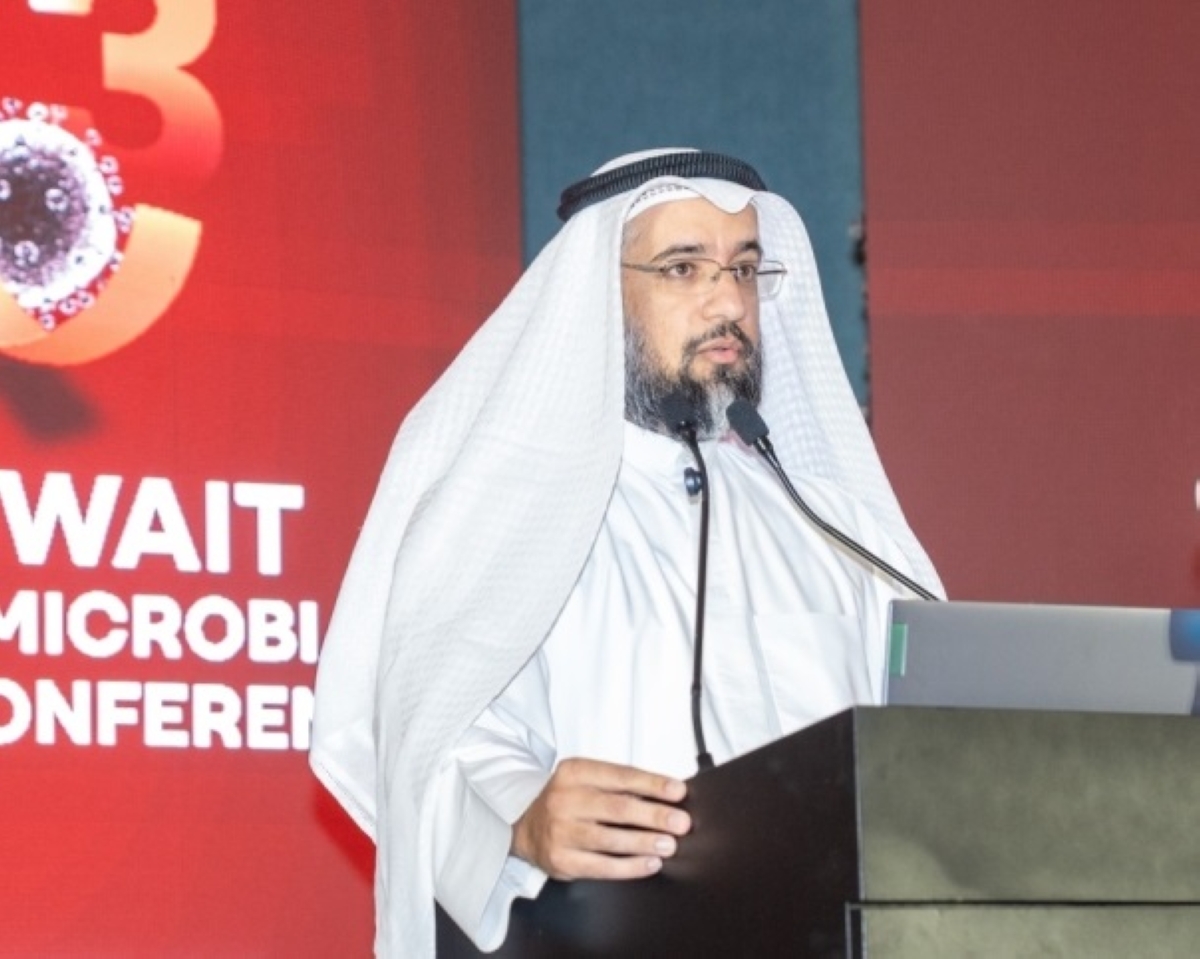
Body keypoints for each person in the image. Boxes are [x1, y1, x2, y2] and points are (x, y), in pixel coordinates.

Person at [310, 149, 942, 957]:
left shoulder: (835, 529)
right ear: (596, 297)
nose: (728, 301)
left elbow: (933, 744)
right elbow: (411, 737)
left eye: (744, 269)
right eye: (683, 268)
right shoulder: (506, 513)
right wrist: (520, 817)